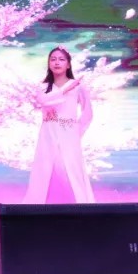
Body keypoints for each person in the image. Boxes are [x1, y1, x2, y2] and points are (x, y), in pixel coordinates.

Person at [23, 47, 95, 204]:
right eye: (53, 59)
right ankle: (45, 209)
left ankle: (76, 209)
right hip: (48, 134)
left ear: (68, 64)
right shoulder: (43, 86)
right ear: (49, 63)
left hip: (69, 134)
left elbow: (87, 113)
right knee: (47, 170)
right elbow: (44, 101)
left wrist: (76, 132)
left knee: (69, 170)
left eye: (61, 59)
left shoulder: (78, 87)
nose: (57, 62)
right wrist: (65, 89)